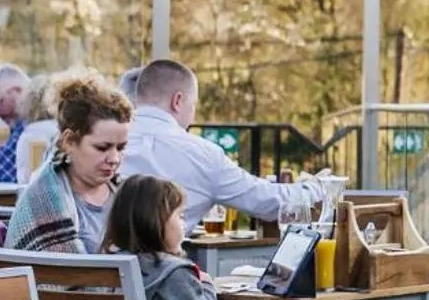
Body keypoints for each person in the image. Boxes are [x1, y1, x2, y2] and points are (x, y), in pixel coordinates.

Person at [101, 174, 299, 300]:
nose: (184, 224)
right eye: (180, 216)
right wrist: (206, 283)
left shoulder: (111, 266)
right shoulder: (174, 272)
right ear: (155, 222)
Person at [121, 59, 322, 226]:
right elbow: (270, 202)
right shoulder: (204, 156)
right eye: (193, 106)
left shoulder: (107, 143)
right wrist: (318, 187)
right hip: (162, 262)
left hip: (104, 261)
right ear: (178, 101)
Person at [5, 75, 132, 253]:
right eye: (102, 148)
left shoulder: (127, 194)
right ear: (69, 141)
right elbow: (70, 270)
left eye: (121, 148)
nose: (114, 159)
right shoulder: (44, 201)